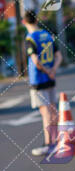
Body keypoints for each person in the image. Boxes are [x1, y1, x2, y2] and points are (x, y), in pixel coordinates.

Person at [23, 10, 62, 156]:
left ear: (24, 22)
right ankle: (58, 140)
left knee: (45, 112)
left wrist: (46, 71)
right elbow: (59, 56)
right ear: (37, 20)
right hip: (50, 78)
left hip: (38, 79)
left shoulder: (30, 38)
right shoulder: (47, 35)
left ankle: (49, 144)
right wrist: (53, 70)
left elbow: (35, 61)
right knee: (53, 109)